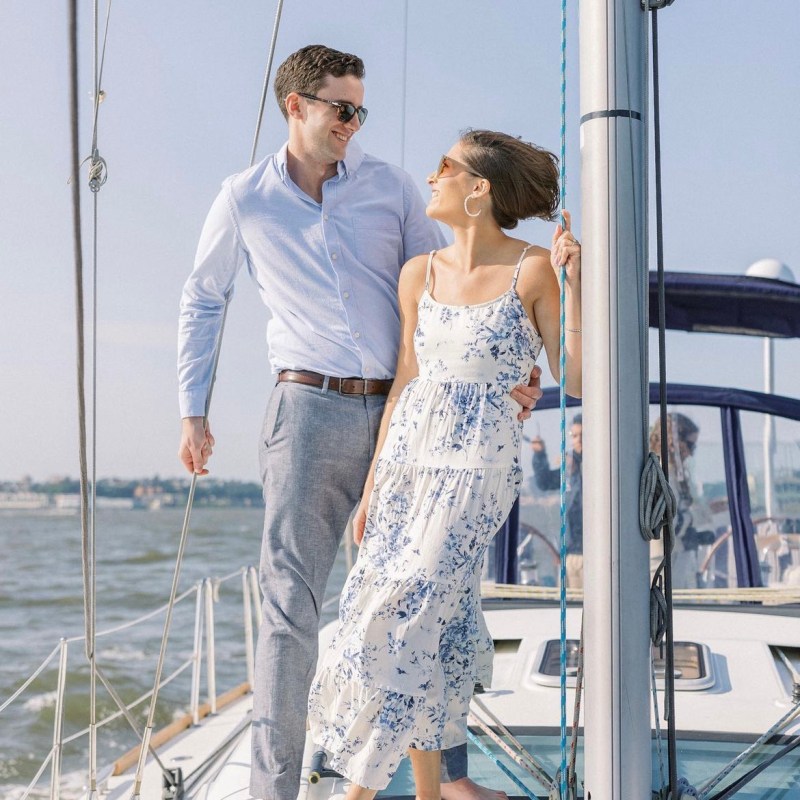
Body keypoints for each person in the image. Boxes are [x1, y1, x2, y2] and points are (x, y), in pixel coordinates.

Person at [176, 46, 543, 800]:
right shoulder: (243, 197)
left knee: (431, 595)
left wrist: (511, 368)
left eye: (361, 110)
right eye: (343, 108)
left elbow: (444, 291)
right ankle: (274, 792)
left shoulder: (393, 188)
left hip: (412, 416)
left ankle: (447, 784)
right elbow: (204, 298)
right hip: (306, 412)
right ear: (296, 106)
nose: (354, 123)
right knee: (290, 611)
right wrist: (193, 410)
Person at [307, 130, 582, 799]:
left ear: (478, 188)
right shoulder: (417, 273)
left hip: (475, 466)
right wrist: (371, 489)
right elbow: (405, 381)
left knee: (402, 613)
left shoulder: (535, 268)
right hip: (407, 460)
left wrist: (577, 285)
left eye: (444, 168)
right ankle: (433, 794)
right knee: (437, 615)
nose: (431, 178)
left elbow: (575, 377)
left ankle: (356, 792)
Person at [648, 412, 714, 589]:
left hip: (676, 559)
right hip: (661, 563)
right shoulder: (661, 474)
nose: (691, 452)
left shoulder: (675, 473)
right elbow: (666, 522)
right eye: (690, 445)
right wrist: (690, 526)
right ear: (673, 443)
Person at [530, 413, 583, 587]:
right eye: (575, 436)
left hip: (595, 555)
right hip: (569, 553)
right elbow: (544, 482)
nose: (579, 440)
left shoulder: (607, 462)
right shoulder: (569, 467)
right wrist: (539, 455)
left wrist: (579, 468)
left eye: (584, 435)